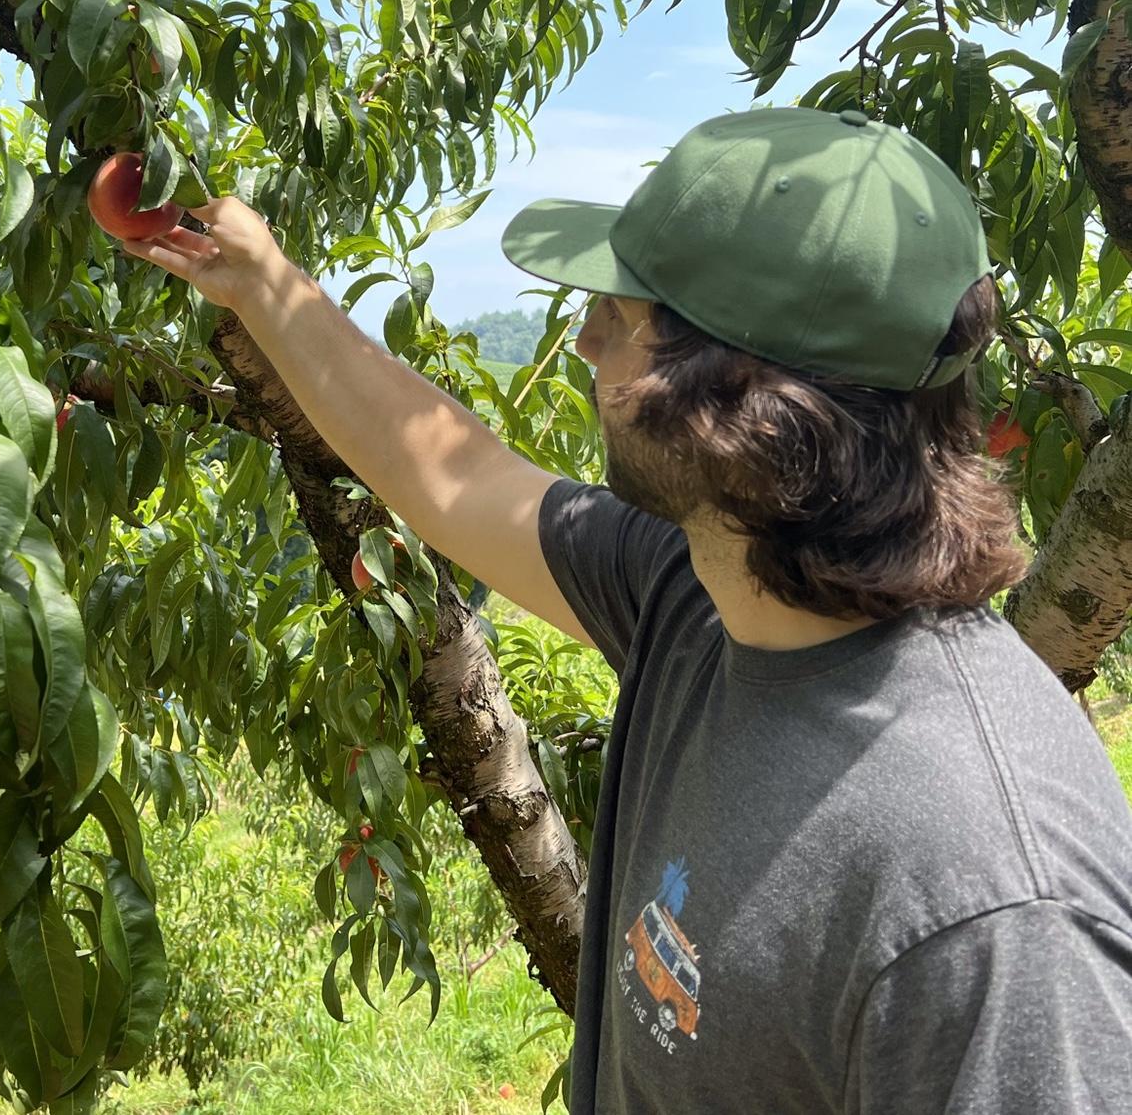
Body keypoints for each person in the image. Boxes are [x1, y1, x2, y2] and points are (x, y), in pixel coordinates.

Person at [122, 105, 1132, 1112]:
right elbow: (455, 479)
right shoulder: (708, 589)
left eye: (623, 313)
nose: (583, 340)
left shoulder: (990, 910)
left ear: (740, 394)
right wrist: (263, 283)